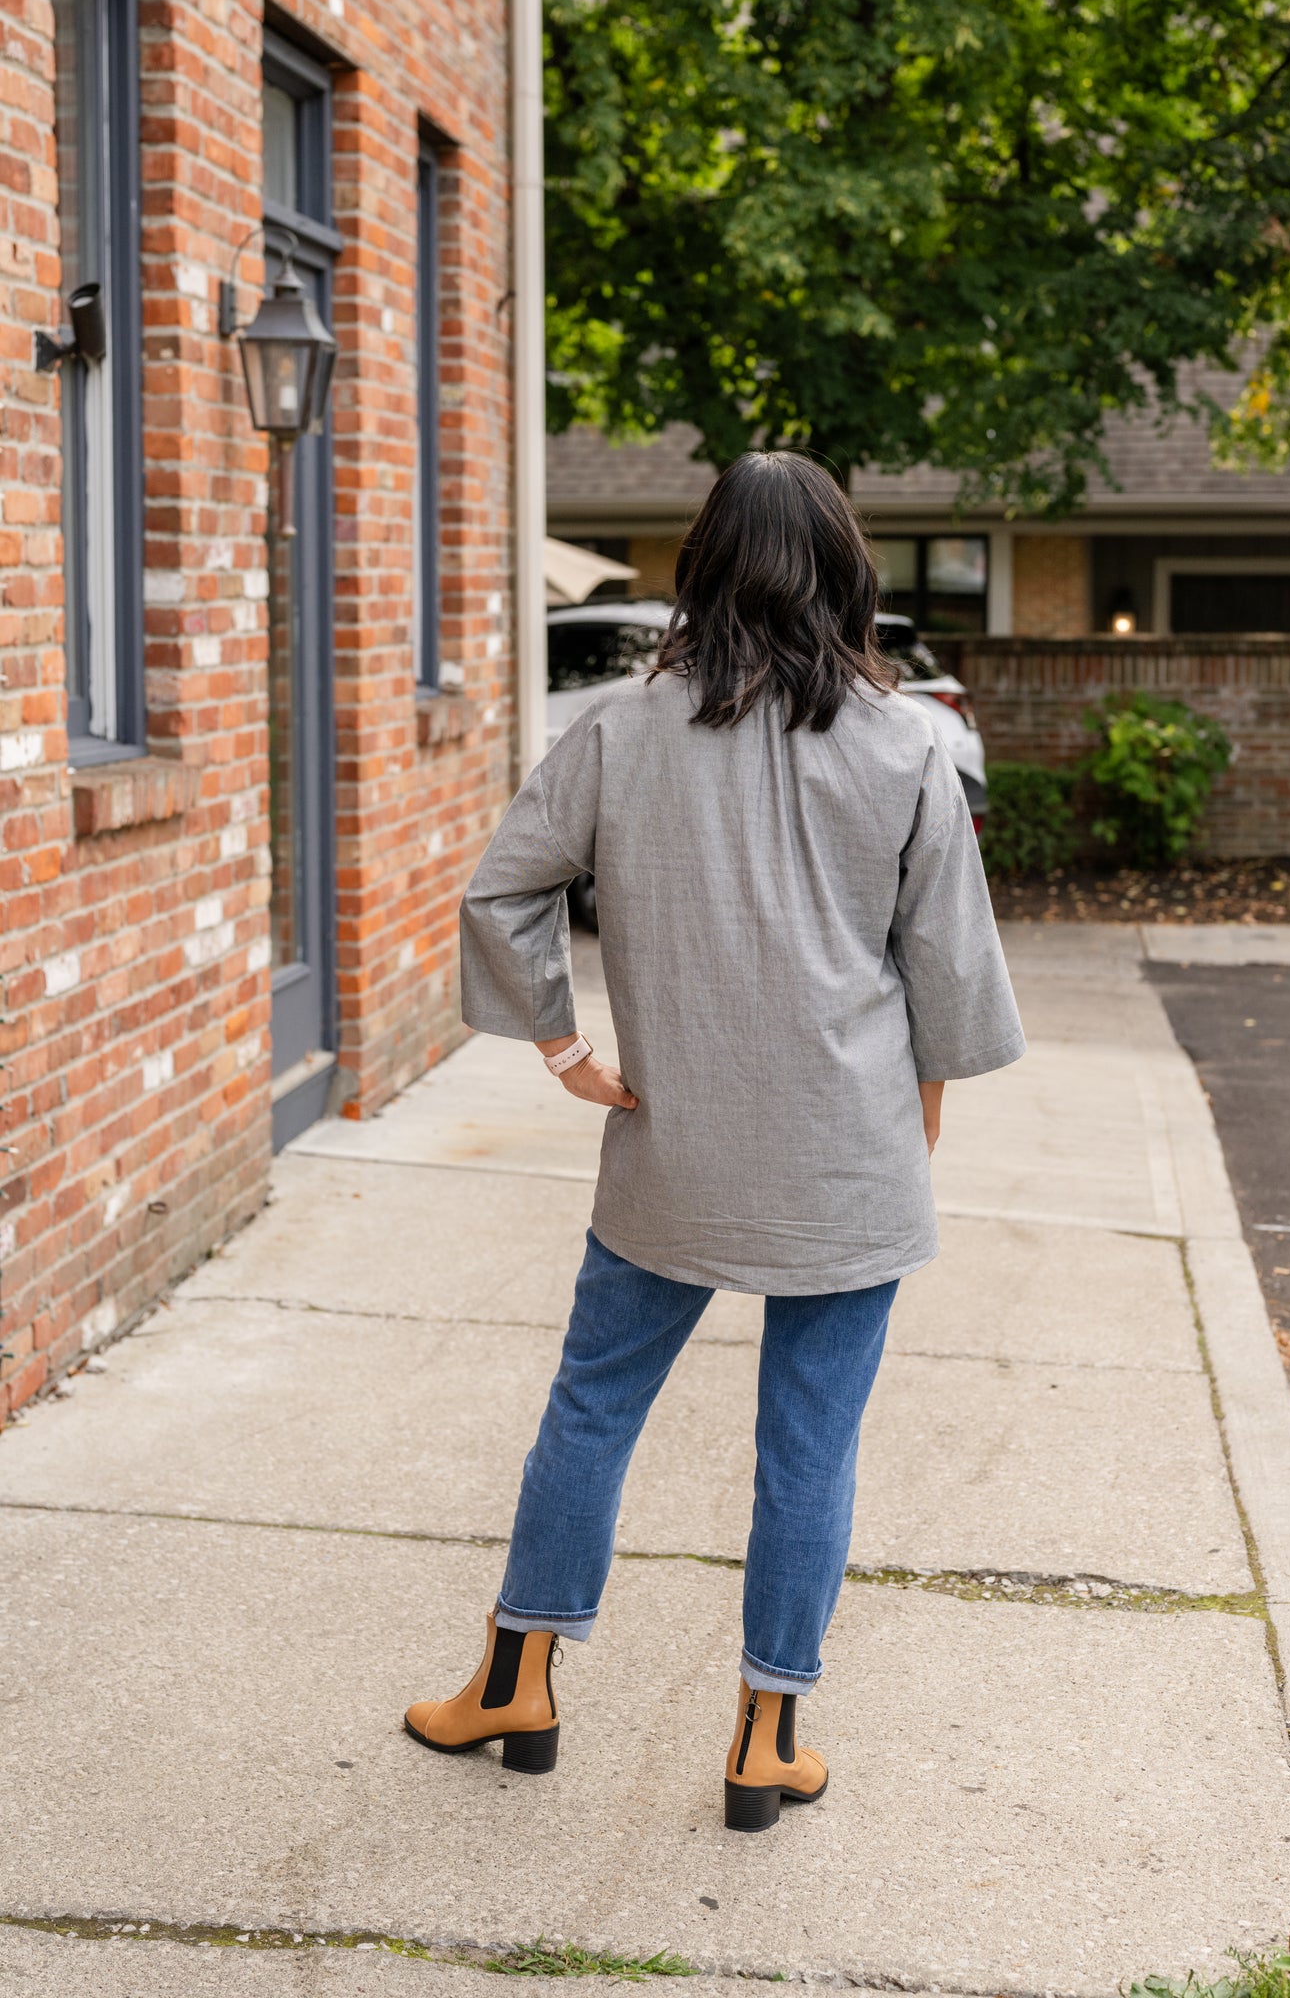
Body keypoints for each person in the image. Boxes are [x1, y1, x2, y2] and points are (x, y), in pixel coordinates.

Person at [403, 451, 1025, 1831]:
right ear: (847, 571)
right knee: (809, 1449)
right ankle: (766, 1734)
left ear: (701, 568)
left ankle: (516, 1678)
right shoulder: (905, 740)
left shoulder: (625, 731)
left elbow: (503, 890)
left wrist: (567, 1053)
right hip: (847, 1156)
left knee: (592, 1404)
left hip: (671, 1149)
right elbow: (949, 982)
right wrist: (906, 1146)